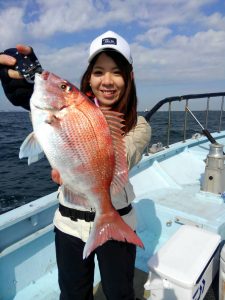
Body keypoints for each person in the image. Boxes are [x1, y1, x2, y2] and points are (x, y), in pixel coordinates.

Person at [0, 31, 151, 300]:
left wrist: (61, 110)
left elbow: (118, 157)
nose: (107, 81)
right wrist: (32, 88)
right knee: (72, 294)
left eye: (116, 72)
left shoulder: (139, 126)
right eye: (98, 72)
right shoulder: (71, 111)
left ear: (130, 78)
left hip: (117, 220)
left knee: (119, 293)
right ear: (89, 80)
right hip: (69, 225)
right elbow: (64, 117)